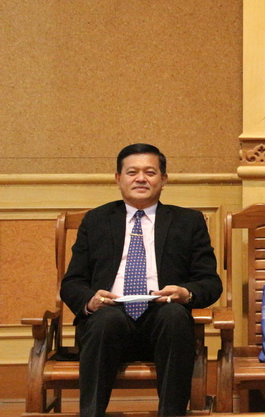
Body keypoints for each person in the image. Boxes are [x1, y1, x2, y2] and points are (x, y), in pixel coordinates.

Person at [60, 143, 222, 416]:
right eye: (132, 172)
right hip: (109, 322)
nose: (141, 179)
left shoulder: (188, 221)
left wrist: (185, 293)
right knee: (105, 319)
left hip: (163, 323)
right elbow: (72, 282)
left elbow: (210, 282)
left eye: (150, 172)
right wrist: (91, 300)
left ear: (164, 179)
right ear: (118, 178)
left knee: (174, 315)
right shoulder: (96, 220)